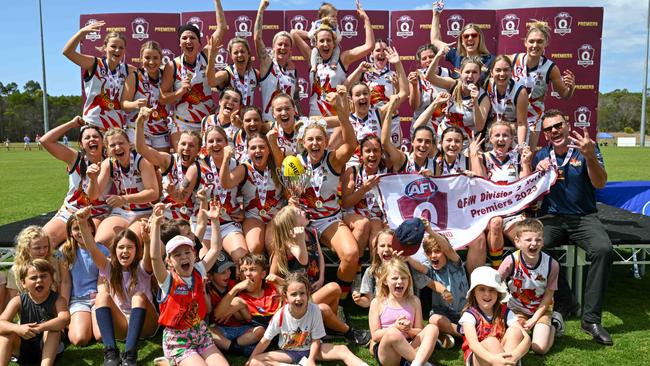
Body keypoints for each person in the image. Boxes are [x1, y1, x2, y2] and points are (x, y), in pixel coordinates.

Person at [534, 109, 613, 345]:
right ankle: (566, 299)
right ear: (545, 134)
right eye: (548, 129)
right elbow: (531, 194)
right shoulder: (541, 155)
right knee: (536, 246)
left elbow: (600, 183)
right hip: (552, 217)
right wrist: (536, 174)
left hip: (583, 217)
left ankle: (591, 319)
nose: (554, 131)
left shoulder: (587, 147)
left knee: (603, 249)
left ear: (567, 124)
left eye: (557, 125)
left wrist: (589, 156)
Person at [268, 205, 371, 346]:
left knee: (329, 298)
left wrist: (322, 277)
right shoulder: (288, 243)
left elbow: (319, 256)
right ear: (292, 223)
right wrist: (299, 240)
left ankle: (330, 328)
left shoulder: (311, 232)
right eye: (299, 212)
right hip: (297, 300)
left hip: (313, 290)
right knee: (330, 296)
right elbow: (299, 262)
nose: (304, 212)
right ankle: (349, 332)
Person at [299, 86, 359, 299]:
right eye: (310, 139)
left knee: (351, 255)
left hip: (328, 220)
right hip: (302, 221)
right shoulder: (293, 162)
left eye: (319, 139)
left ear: (326, 142)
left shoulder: (332, 159)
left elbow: (352, 144)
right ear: (303, 142)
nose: (315, 143)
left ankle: (339, 299)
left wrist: (341, 111)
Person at [77, 207, 158, 366]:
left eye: (130, 247)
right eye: (121, 247)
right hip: (122, 324)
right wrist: (82, 223)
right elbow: (92, 248)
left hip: (147, 324)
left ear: (136, 251)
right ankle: (111, 354)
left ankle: (129, 355)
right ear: (114, 250)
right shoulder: (109, 267)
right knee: (102, 296)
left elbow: (150, 256)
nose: (125, 251)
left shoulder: (142, 267)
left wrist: (147, 240)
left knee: (139, 296)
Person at [150, 202, 227, 366]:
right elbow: (155, 257)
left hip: (201, 332)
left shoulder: (199, 270)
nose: (184, 257)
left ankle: (171, 361)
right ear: (169, 261)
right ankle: (170, 360)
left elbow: (215, 248)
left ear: (194, 254)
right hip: (178, 339)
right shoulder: (166, 279)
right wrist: (156, 225)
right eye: (177, 254)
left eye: (187, 252)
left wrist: (214, 221)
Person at [247, 272, 369, 366]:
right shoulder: (280, 315)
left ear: (308, 294)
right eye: (293, 294)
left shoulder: (314, 310)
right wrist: (251, 359)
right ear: (285, 296)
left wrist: (311, 359)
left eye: (302, 293)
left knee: (342, 349)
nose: (298, 298)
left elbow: (316, 340)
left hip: (312, 348)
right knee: (256, 361)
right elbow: (265, 340)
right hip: (289, 353)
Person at [175, 126, 249, 264]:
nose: (215, 144)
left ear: (226, 143)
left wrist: (244, 210)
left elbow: (248, 193)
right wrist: (172, 191)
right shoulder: (197, 167)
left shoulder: (237, 165)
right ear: (205, 145)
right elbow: (182, 197)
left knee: (242, 259)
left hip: (227, 223)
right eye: (211, 141)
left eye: (219, 140)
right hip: (204, 225)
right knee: (201, 262)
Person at [161, 0, 226, 147]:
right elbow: (162, 98)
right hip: (182, 124)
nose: (188, 41)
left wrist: (217, 1)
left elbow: (222, 28)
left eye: (192, 38)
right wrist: (179, 92)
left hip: (206, 124)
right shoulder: (172, 66)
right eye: (184, 38)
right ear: (179, 43)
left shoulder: (205, 56)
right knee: (182, 164)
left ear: (199, 43)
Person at [291, 0, 374, 117]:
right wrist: (317, 31)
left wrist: (366, 19)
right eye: (321, 41)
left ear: (334, 43)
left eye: (329, 40)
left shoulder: (343, 58)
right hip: (316, 119)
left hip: (337, 119)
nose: (325, 44)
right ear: (316, 43)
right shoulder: (312, 57)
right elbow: (294, 33)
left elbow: (369, 46)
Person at [40, 116, 109, 247]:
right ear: (81, 144)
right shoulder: (75, 158)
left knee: (92, 246)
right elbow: (45, 141)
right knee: (42, 242)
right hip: (71, 211)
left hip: (96, 214)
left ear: (103, 142)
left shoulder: (110, 161)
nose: (92, 139)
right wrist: (71, 124)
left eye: (95, 137)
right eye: (87, 138)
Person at [86, 125, 159, 247]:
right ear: (107, 149)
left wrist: (124, 199)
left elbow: (153, 193)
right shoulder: (108, 163)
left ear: (129, 144)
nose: (117, 147)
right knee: (101, 242)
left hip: (144, 211)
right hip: (122, 211)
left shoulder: (141, 161)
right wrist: (93, 180)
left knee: (129, 243)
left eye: (121, 143)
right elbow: (93, 196)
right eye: (112, 145)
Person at [509, 22, 575, 151]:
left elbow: (565, 95)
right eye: (531, 41)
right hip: (512, 114)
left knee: (527, 154)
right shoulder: (513, 59)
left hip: (533, 116)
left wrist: (571, 87)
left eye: (539, 42)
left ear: (545, 44)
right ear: (525, 43)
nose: (535, 45)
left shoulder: (550, 68)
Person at [498, 219, 560, 354]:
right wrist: (502, 303)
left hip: (541, 309)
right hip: (516, 309)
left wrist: (534, 318)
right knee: (515, 339)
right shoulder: (511, 260)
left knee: (539, 348)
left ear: (543, 241)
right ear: (517, 242)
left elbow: (549, 295)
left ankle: (553, 326)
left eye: (538, 240)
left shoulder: (552, 264)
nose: (534, 243)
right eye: (528, 240)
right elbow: (495, 282)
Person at [478, 120, 533, 268]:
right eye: (497, 135)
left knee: (526, 238)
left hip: (512, 212)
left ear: (512, 139)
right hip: (489, 213)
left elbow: (525, 187)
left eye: (505, 135)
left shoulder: (518, 159)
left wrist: (526, 163)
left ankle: (525, 277)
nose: (501, 139)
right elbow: (479, 184)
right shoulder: (483, 157)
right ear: (490, 139)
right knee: (496, 223)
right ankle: (498, 271)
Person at [135, 107, 202, 222]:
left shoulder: (201, 166)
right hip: (166, 214)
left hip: (188, 219)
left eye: (191, 145)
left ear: (198, 150)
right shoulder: (168, 160)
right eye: (183, 144)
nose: (186, 148)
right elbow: (142, 149)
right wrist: (139, 123)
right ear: (177, 145)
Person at [219, 134, 283, 254]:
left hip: (276, 214)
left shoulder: (276, 166)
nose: (257, 151)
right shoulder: (245, 168)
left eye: (262, 147)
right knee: (254, 247)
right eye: (253, 148)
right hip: (254, 215)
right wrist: (225, 159)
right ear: (248, 151)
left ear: (269, 150)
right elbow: (226, 183)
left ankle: (273, 273)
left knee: (274, 245)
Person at [368, 258, 438, 366]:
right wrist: (395, 327)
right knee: (393, 333)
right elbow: (376, 336)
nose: (400, 281)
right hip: (388, 352)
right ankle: (422, 363)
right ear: (385, 281)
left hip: (409, 345)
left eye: (404, 278)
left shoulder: (414, 301)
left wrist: (409, 330)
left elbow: (419, 331)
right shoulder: (377, 302)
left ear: (409, 280)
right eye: (395, 278)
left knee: (432, 328)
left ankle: (416, 364)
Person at [0, 259, 70, 366]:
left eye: (43, 276)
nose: (39, 280)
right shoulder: (18, 300)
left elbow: (65, 319)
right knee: (6, 334)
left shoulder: (58, 300)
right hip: (23, 348)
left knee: (53, 331)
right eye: (33, 278)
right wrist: (17, 328)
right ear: (23, 283)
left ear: (51, 279)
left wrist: (40, 328)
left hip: (49, 349)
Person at [63, 21, 130, 131]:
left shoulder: (128, 70)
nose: (117, 50)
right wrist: (81, 32)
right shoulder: (94, 64)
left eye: (121, 47)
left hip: (115, 129)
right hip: (92, 125)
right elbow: (67, 52)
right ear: (105, 48)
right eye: (113, 46)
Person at [411, 221, 468, 346]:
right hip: (444, 314)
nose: (433, 256)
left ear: (445, 253)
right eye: (429, 252)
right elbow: (420, 267)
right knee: (433, 319)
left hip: (464, 310)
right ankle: (465, 334)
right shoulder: (429, 268)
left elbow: (447, 248)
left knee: (471, 316)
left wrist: (430, 231)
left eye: (437, 251)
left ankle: (447, 335)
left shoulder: (455, 263)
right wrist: (407, 258)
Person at [213, 254, 283, 355]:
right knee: (208, 331)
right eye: (243, 270)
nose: (247, 274)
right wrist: (236, 288)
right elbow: (217, 315)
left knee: (260, 331)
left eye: (252, 269)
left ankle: (231, 348)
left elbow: (300, 293)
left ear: (263, 274)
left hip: (269, 335)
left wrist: (281, 281)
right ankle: (234, 348)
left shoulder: (272, 289)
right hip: (246, 334)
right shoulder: (238, 296)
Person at [460, 266, 530, 366]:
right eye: (482, 289)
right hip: (480, 359)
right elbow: (473, 345)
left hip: (503, 357)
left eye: (492, 290)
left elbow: (526, 338)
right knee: (492, 342)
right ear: (474, 292)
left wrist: (516, 355)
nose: (487, 294)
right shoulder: (470, 315)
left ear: (498, 293)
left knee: (516, 332)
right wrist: (493, 360)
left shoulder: (505, 311)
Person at [59, 211, 108, 346]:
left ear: (92, 228)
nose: (81, 231)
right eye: (76, 228)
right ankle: (76, 323)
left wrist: (100, 299)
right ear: (70, 232)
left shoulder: (102, 250)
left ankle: (91, 321)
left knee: (100, 336)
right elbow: (65, 282)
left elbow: (103, 280)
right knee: (80, 339)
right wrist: (63, 309)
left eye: (85, 227)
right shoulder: (65, 252)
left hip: (97, 297)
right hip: (78, 299)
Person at [254, 0, 301, 120]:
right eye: (280, 44)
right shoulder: (268, 64)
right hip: (270, 123)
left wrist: (299, 118)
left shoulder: (292, 71)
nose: (283, 47)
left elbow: (295, 99)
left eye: (286, 45)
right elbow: (257, 38)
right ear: (274, 47)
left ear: (291, 50)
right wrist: (261, 10)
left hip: (290, 124)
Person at [6, 226, 70, 309]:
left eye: (45, 247)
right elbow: (14, 299)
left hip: (57, 308)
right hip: (30, 312)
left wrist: (63, 308)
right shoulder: (15, 270)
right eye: (37, 248)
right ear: (26, 248)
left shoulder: (56, 262)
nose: (42, 251)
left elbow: (65, 283)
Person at [123, 41, 171, 152]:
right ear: (141, 59)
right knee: (145, 165)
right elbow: (123, 103)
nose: (151, 62)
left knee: (162, 166)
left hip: (161, 130)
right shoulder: (134, 76)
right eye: (147, 58)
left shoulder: (167, 75)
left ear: (161, 59)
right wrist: (135, 104)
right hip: (139, 128)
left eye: (155, 58)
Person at [341, 135, 387, 252]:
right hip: (352, 214)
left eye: (376, 150)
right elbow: (345, 203)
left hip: (375, 215)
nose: (372, 155)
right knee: (363, 224)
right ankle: (356, 265)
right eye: (368, 151)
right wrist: (363, 189)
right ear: (361, 155)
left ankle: (375, 269)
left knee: (377, 235)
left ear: (381, 153)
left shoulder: (387, 173)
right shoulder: (352, 172)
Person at [429, 56, 490, 143]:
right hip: (444, 138)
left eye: (475, 72)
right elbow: (429, 77)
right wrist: (438, 55)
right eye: (467, 72)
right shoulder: (453, 85)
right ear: (460, 73)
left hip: (466, 143)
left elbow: (480, 127)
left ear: (479, 75)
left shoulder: (483, 98)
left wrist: (475, 103)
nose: (470, 75)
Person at [430, 4, 494, 84]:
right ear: (462, 41)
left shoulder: (491, 60)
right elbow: (435, 41)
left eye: (474, 35)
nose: (470, 38)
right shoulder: (456, 55)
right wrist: (436, 14)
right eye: (466, 36)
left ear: (480, 39)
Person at [484, 55, 529, 146]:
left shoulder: (521, 91)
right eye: (498, 70)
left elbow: (521, 124)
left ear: (511, 72)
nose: (502, 74)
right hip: (493, 130)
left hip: (514, 132)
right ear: (491, 72)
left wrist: (521, 146)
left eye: (506, 70)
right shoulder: (487, 85)